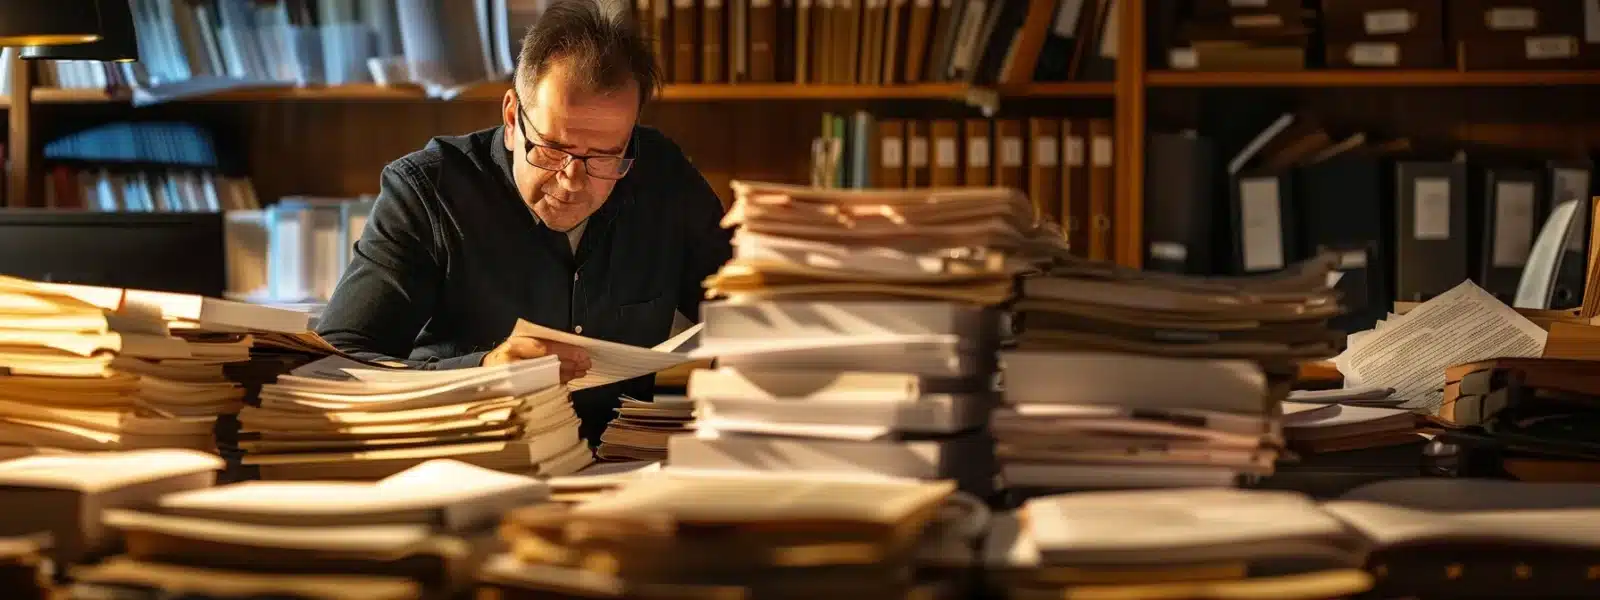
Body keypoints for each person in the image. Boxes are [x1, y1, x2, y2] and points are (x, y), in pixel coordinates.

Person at [315, 0, 733, 445]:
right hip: (468, 459)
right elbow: (334, 365)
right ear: (513, 118)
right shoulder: (429, 192)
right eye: (553, 149)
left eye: (605, 156)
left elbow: (749, 311)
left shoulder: (662, 177)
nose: (573, 181)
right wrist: (484, 372)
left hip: (619, 469)